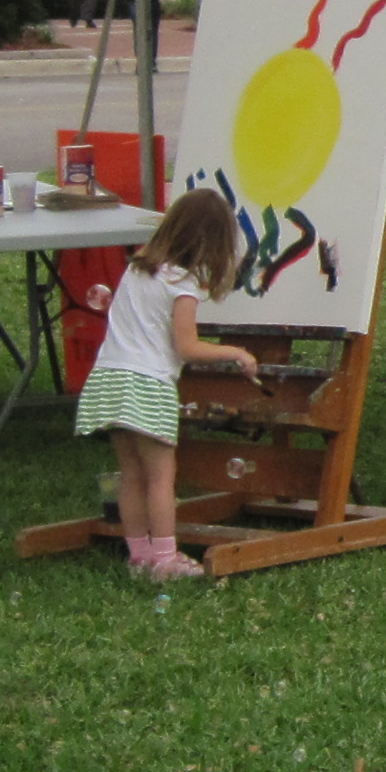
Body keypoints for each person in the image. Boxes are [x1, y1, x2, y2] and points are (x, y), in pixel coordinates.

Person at [74, 188, 259, 580]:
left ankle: (139, 557)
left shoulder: (138, 267)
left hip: (108, 378)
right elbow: (187, 348)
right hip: (148, 384)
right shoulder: (183, 284)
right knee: (160, 477)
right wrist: (237, 353)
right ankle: (165, 559)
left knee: (131, 474)